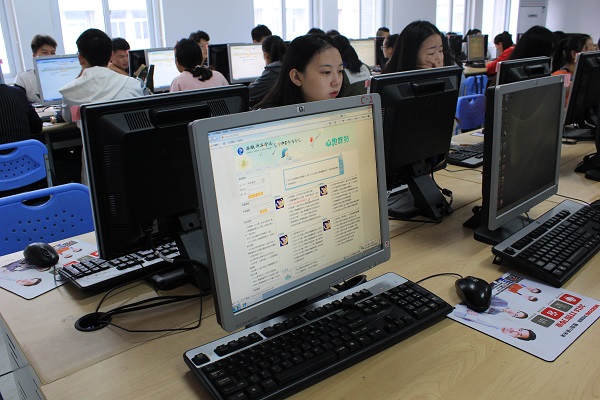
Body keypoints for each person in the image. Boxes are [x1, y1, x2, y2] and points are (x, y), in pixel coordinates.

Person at [59, 28, 144, 183]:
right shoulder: (132, 84)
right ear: (110, 55)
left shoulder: (72, 91)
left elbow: (68, 117)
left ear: (81, 58)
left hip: (95, 164)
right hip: (131, 157)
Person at [254, 33, 343, 109]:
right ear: (297, 77)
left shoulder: (339, 110)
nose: (337, 82)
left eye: (340, 71)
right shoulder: (269, 118)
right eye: (326, 72)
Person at [14, 34, 58, 103]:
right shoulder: (23, 79)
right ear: (34, 56)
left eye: (53, 53)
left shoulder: (61, 76)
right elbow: (19, 104)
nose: (49, 56)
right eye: (45, 52)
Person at [551, 34, 594, 103]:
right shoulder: (561, 75)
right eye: (587, 48)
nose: (593, 51)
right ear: (574, 54)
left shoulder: (585, 75)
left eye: (593, 47)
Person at [248, 35, 287, 106]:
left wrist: (252, 84)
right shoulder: (289, 66)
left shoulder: (272, 71)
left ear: (266, 55)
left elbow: (249, 93)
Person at [453, 310, 537, 341]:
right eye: (519, 330)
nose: (515, 330)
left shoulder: (492, 338)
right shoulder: (499, 318)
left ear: (516, 337)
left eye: (518, 334)